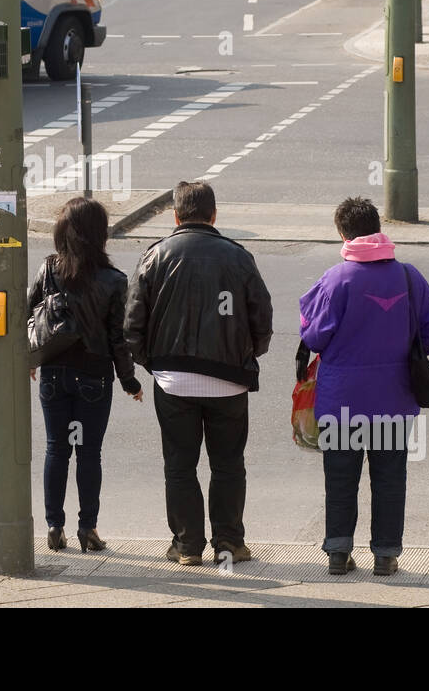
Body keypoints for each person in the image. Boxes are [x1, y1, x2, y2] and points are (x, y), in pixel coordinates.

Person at [125, 181, 273, 567]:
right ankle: (229, 544)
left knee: (179, 464)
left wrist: (153, 364)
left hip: (173, 381)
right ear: (214, 215)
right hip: (228, 378)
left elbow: (132, 325)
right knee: (228, 463)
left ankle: (188, 545)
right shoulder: (238, 257)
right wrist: (246, 354)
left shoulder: (155, 256)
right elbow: (262, 318)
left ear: (175, 215)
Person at [297, 198, 429, 577]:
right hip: (394, 398)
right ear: (379, 228)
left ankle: (339, 554)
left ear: (343, 234)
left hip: (341, 400)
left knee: (341, 478)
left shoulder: (335, 279)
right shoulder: (410, 277)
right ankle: (386, 555)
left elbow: (313, 336)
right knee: (389, 478)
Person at [28, 197, 143, 554]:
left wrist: (30, 358)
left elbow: (30, 314)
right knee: (89, 453)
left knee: (55, 449)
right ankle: (87, 529)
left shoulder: (48, 269)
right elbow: (118, 340)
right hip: (94, 376)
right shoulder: (113, 280)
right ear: (100, 235)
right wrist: (130, 382)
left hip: (53, 372)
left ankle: (53, 526)